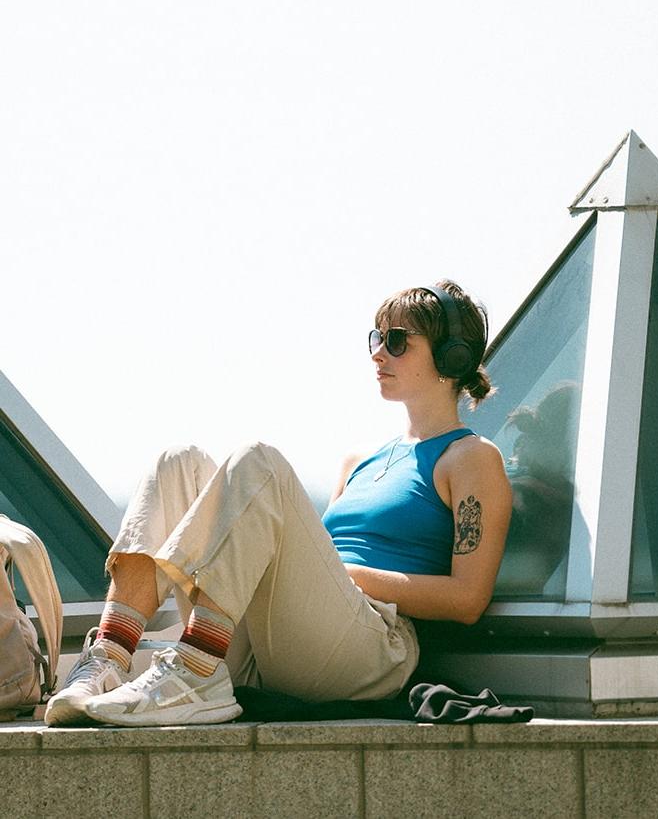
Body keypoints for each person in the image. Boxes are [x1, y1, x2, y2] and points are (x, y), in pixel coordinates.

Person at [45, 280, 512, 727]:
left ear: (452, 357)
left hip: (374, 648)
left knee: (259, 460)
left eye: (396, 340)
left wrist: (348, 576)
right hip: (285, 646)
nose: (377, 352)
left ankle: (193, 670)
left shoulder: (470, 457)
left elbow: (467, 599)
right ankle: (107, 658)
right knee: (178, 461)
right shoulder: (360, 461)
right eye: (376, 336)